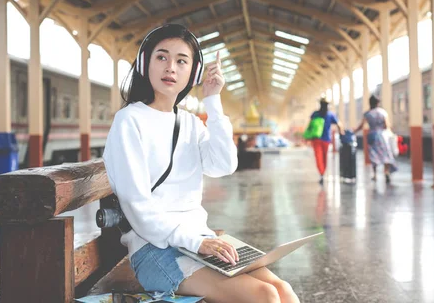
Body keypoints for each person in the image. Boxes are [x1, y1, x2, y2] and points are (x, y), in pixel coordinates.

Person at [103, 24, 299, 303]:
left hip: (199, 241)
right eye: (162, 57)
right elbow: (137, 205)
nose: (170, 67)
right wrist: (199, 242)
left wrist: (213, 100)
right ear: (145, 63)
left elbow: (224, 164)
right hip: (156, 249)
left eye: (181, 61)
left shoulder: (190, 123)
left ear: (193, 73)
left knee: (283, 291)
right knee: (264, 295)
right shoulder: (129, 121)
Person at [353, 95, 397, 183]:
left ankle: (375, 174)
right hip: (383, 136)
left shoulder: (368, 113)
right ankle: (386, 172)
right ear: (378, 103)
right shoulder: (383, 112)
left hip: (372, 135)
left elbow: (361, 125)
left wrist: (354, 131)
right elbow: (387, 125)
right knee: (386, 154)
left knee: (373, 155)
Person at [309, 98, 344, 185]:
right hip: (326, 139)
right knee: (324, 157)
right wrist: (342, 132)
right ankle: (322, 172)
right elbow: (339, 124)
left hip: (316, 139)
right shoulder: (330, 115)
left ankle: (321, 173)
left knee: (319, 157)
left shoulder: (315, 114)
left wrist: (308, 136)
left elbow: (310, 125)